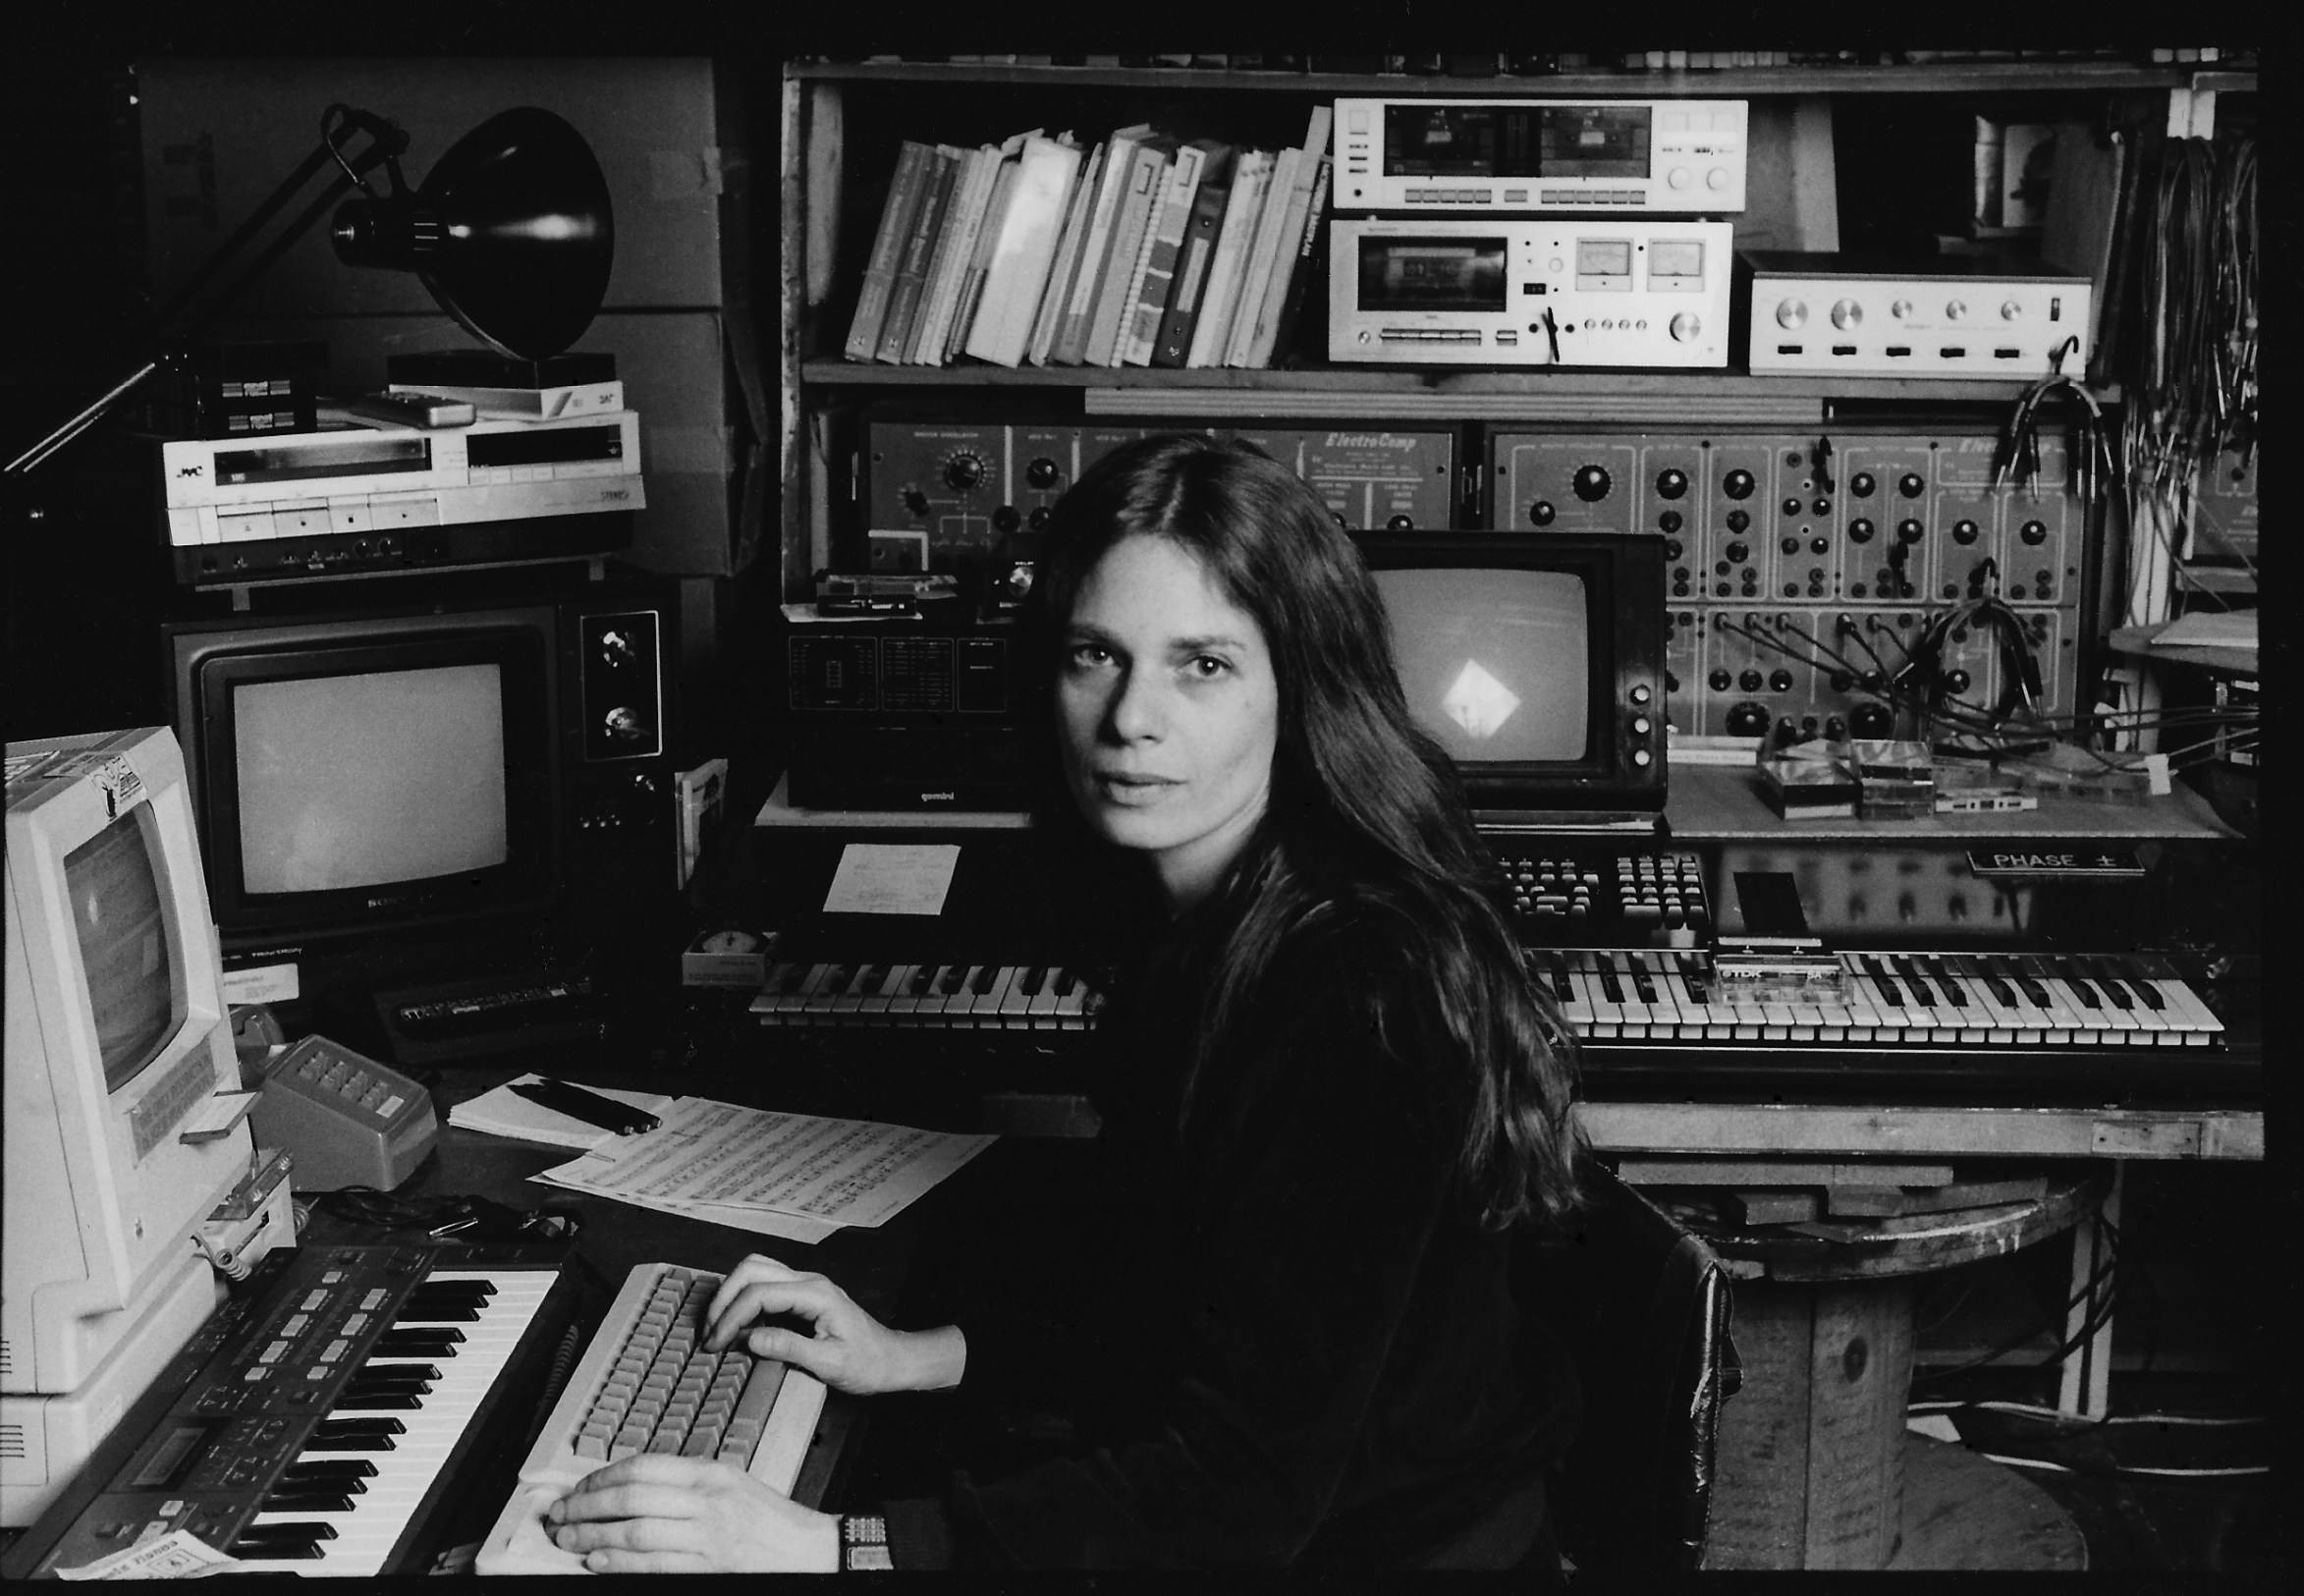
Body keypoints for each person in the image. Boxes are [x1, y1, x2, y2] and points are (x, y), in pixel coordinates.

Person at [544, 432, 1591, 1572]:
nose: (1131, 716)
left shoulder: (1361, 988)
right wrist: (921, 1350)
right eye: (1098, 654)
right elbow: (1184, 1291)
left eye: (1204, 664)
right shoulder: (1209, 917)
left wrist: (832, 1545)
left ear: (1304, 688)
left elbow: (1239, 1491)